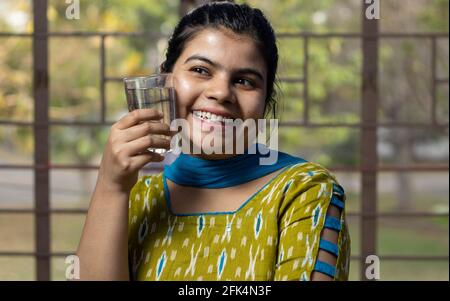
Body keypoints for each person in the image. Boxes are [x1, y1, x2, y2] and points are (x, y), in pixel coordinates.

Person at [76, 1, 350, 281]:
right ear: (165, 78)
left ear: (265, 101)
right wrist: (110, 186)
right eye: (201, 70)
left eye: (244, 81)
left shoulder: (304, 192)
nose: (221, 92)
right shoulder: (135, 197)